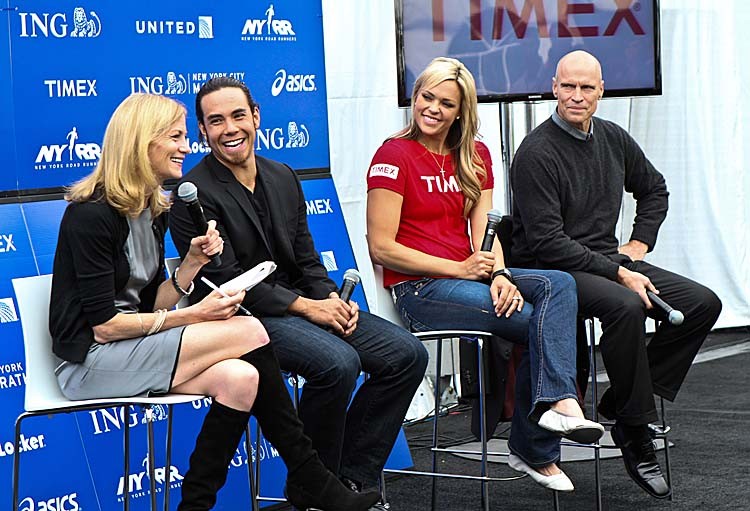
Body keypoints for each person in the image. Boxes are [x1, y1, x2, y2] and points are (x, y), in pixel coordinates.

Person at [49, 93, 380, 511]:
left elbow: (151, 302)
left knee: (239, 379)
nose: (186, 147)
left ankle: (196, 506)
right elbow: (106, 325)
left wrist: (190, 264)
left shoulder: (152, 209)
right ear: (142, 141)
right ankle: (312, 476)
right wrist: (195, 315)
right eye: (176, 137)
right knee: (250, 329)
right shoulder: (91, 215)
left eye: (186, 137)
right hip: (91, 362)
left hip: (132, 349)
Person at [168, 77, 428, 508]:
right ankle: (314, 488)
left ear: (256, 117)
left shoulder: (282, 175)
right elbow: (230, 284)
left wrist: (330, 300)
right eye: (216, 121)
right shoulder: (193, 195)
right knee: (337, 363)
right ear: (202, 131)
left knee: (406, 355)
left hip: (301, 305)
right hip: (244, 319)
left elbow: (307, 259)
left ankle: (348, 479)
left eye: (237, 115)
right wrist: (308, 307)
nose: (229, 128)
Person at [366, 56, 604, 492]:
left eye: (446, 102)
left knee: (560, 284)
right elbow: (381, 248)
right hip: (422, 289)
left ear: (462, 110)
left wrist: (501, 275)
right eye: (426, 97)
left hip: (470, 276)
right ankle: (536, 442)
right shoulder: (393, 155)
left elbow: (486, 234)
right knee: (542, 324)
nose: (432, 109)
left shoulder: (474, 154)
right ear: (415, 97)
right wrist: (459, 267)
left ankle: (557, 407)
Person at [510, 50, 722, 499]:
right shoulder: (536, 152)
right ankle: (634, 428)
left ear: (601, 91)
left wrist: (638, 245)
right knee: (626, 305)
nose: (577, 96)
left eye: (587, 87)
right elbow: (548, 243)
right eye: (569, 86)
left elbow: (654, 189)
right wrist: (619, 273)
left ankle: (620, 402)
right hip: (556, 271)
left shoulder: (613, 138)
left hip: (606, 259)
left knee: (702, 304)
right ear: (554, 87)